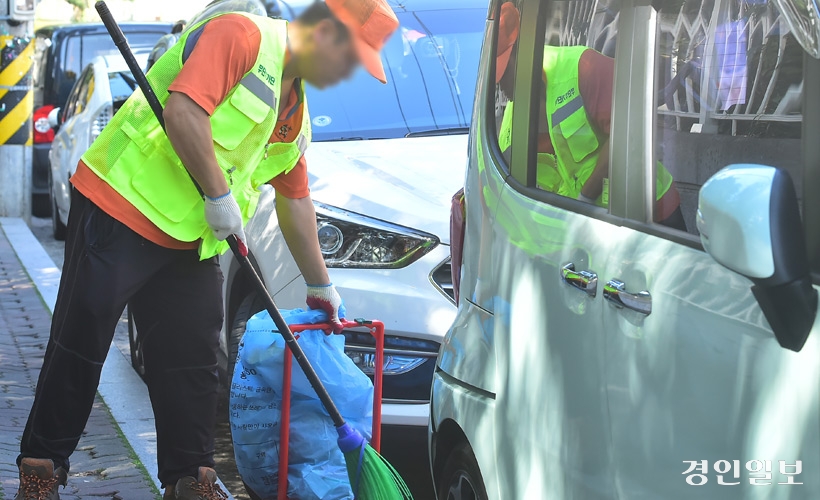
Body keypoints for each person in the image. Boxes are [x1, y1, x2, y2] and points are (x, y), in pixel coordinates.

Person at [14, 1, 398, 499]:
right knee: (80, 340)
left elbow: (295, 197)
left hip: (189, 235)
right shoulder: (241, 36)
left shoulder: (294, 112)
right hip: (122, 205)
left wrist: (320, 283)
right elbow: (184, 112)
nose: (347, 74)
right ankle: (41, 470)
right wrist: (219, 195)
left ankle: (190, 481)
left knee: (191, 358)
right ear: (326, 32)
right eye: (351, 59)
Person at [495, 1, 686, 230]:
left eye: (504, 72)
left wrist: (585, 197)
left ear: (522, 53)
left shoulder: (582, 67)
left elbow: (628, 134)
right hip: (594, 226)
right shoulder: (514, 115)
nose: (501, 86)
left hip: (649, 213)